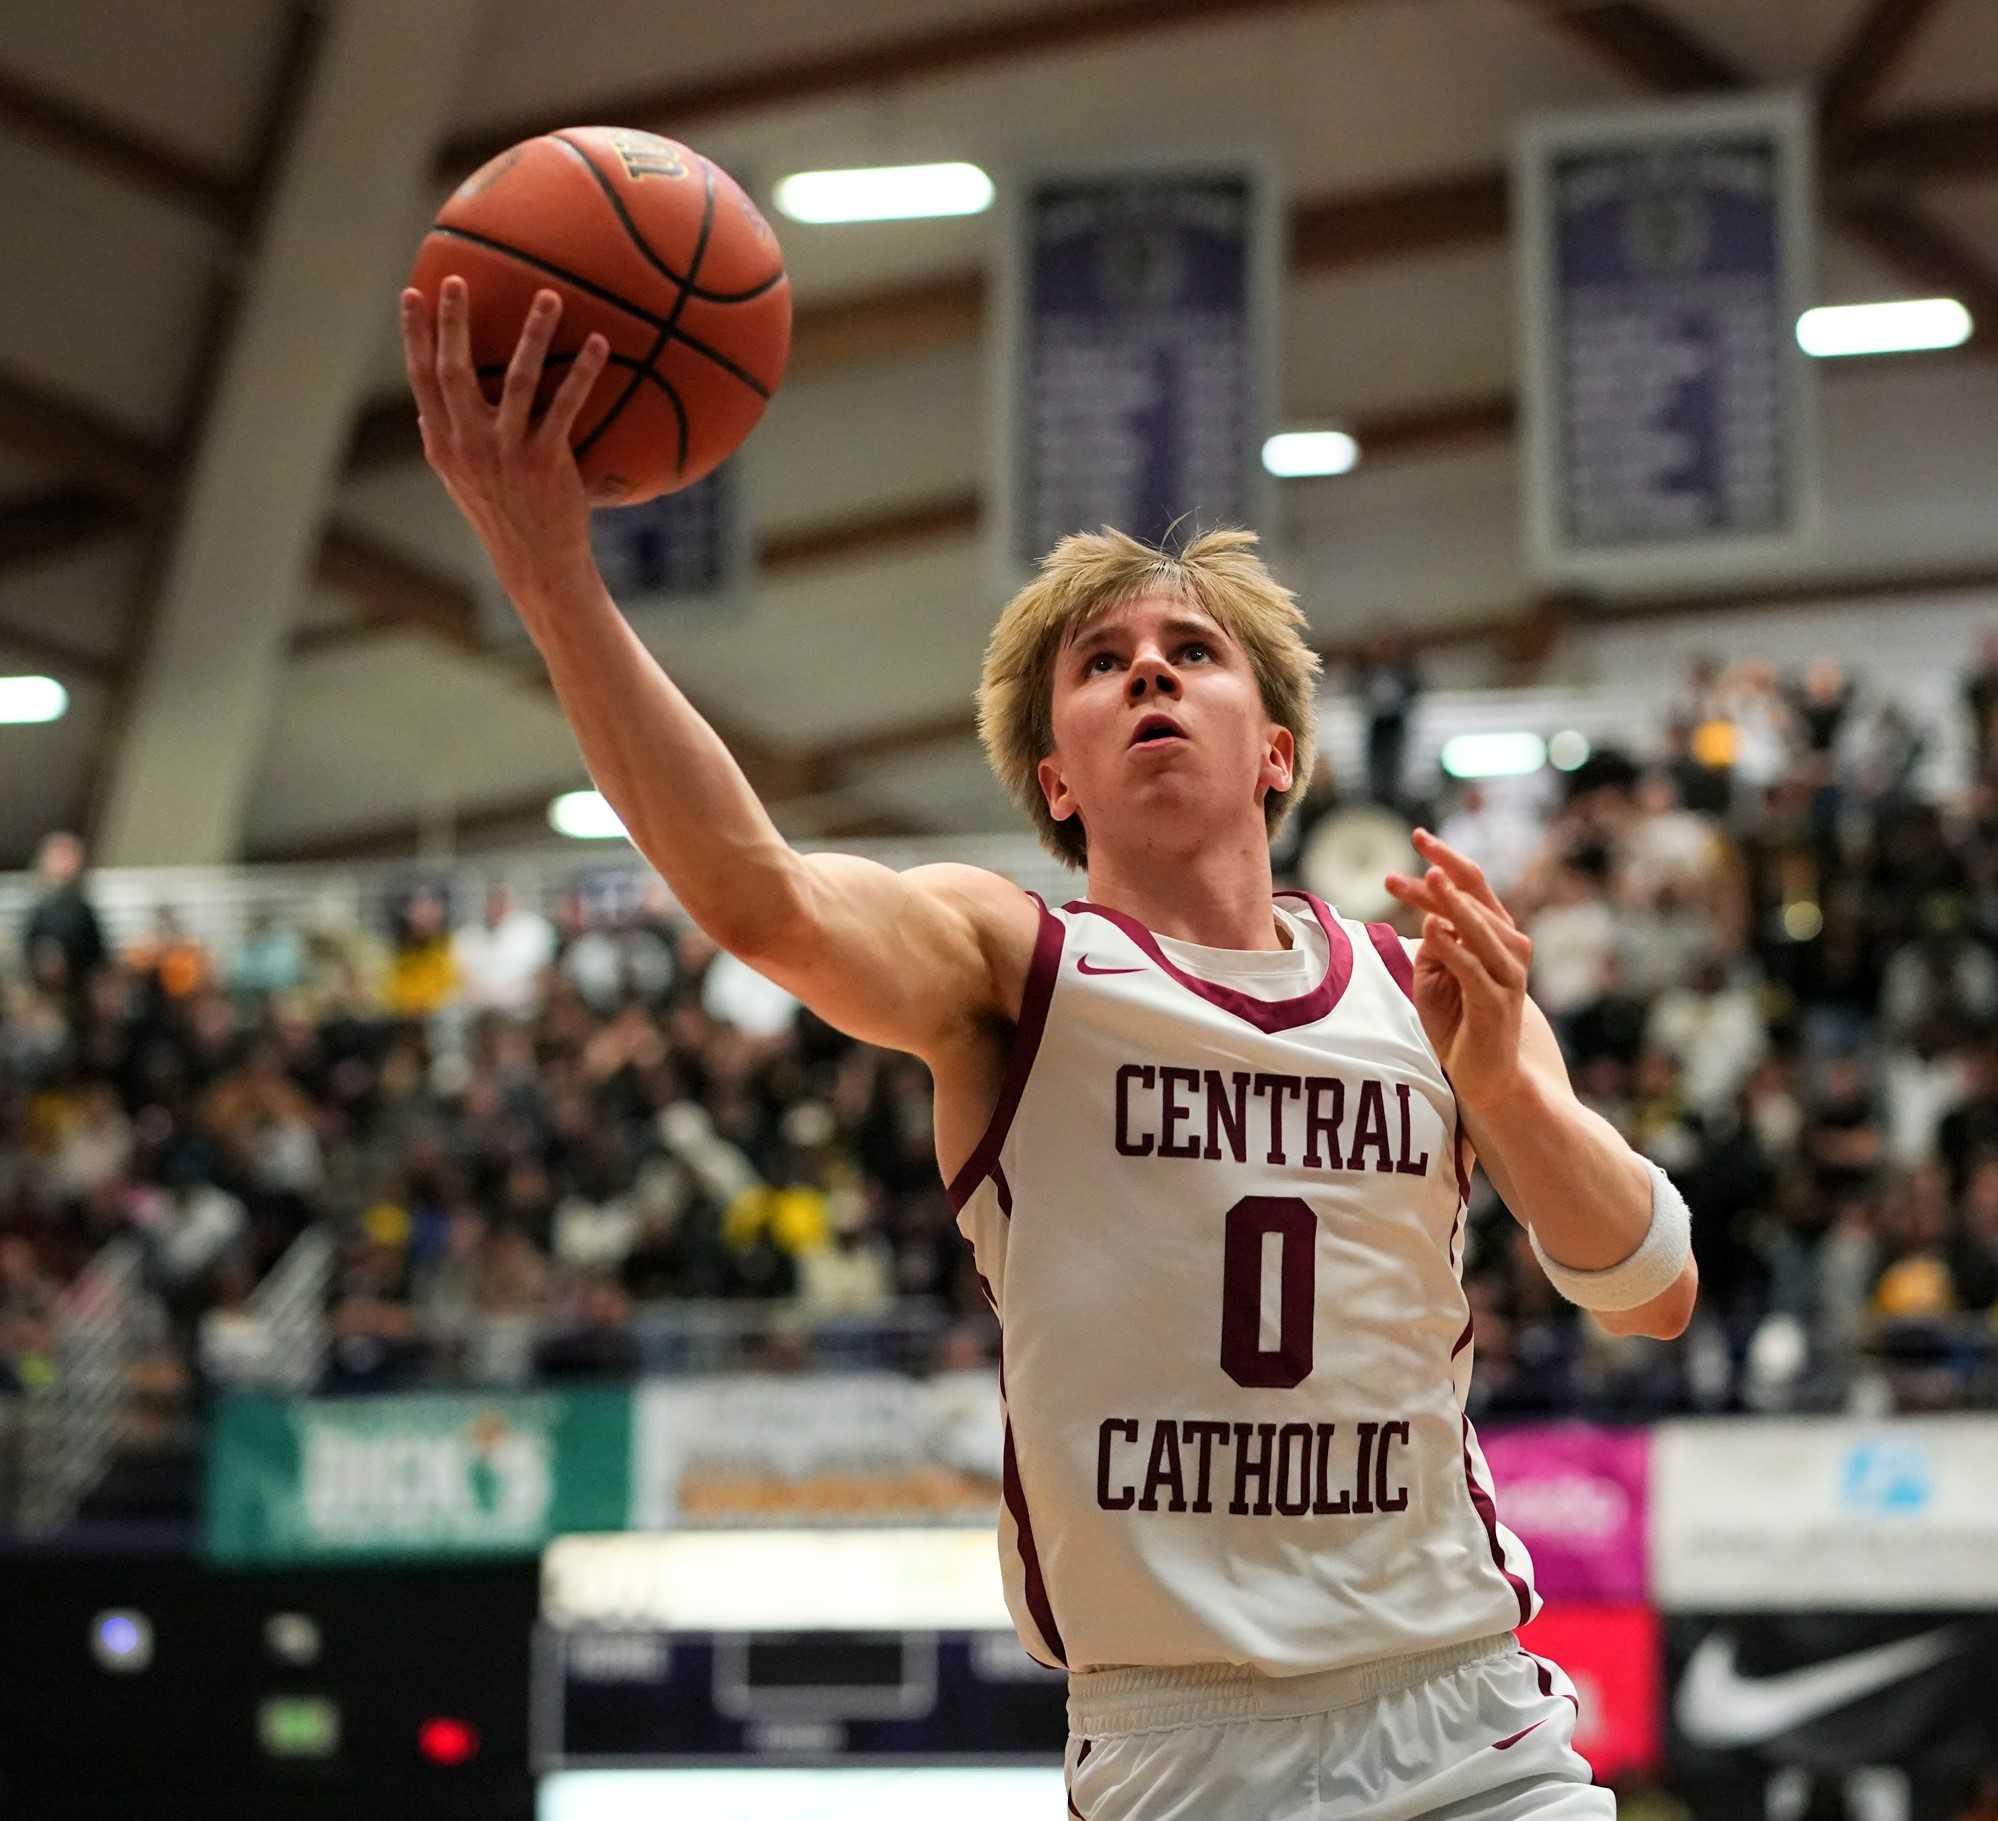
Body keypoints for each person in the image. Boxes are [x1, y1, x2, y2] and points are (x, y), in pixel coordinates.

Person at [403, 278, 1698, 1821]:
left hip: (1459, 1719)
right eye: (1102, 662)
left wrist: (1502, 1092)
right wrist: (557, 583)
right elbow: (762, 900)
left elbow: (1649, 1288)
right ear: (1054, 777)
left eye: (1191, 650)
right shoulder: (1011, 962)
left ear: (1274, 749)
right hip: (1176, 1745)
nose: (1148, 670)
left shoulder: (1422, 984)